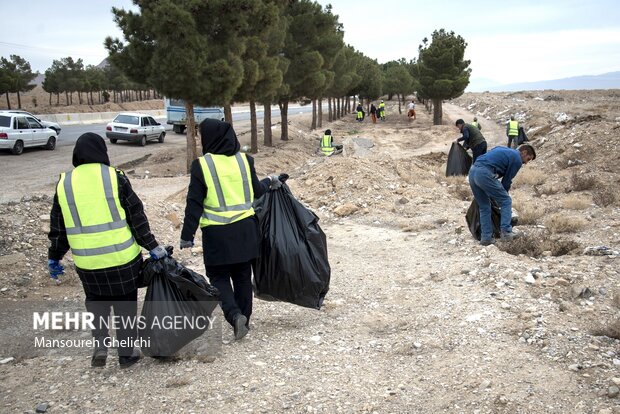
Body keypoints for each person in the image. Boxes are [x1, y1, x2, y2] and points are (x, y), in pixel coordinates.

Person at [47, 133, 166, 368]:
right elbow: (136, 218)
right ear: (102, 151)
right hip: (122, 258)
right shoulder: (115, 178)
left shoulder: (64, 184)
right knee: (125, 306)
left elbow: (58, 227)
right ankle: (126, 354)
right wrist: (152, 246)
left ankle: (100, 345)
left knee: (95, 302)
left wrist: (55, 256)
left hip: (87, 262)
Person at [179, 119, 282, 341]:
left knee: (219, 278)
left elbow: (194, 203)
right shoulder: (245, 160)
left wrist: (187, 235)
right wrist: (270, 181)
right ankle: (244, 317)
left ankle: (235, 316)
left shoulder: (202, 165)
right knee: (243, 276)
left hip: (217, 236)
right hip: (246, 232)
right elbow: (256, 191)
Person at [468, 144, 536, 246]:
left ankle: (486, 238)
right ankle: (506, 232)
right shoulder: (517, 158)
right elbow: (506, 182)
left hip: (473, 172)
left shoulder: (502, 149)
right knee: (506, 201)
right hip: (484, 173)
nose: (526, 163)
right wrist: (501, 198)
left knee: (484, 206)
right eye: (528, 159)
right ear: (524, 152)